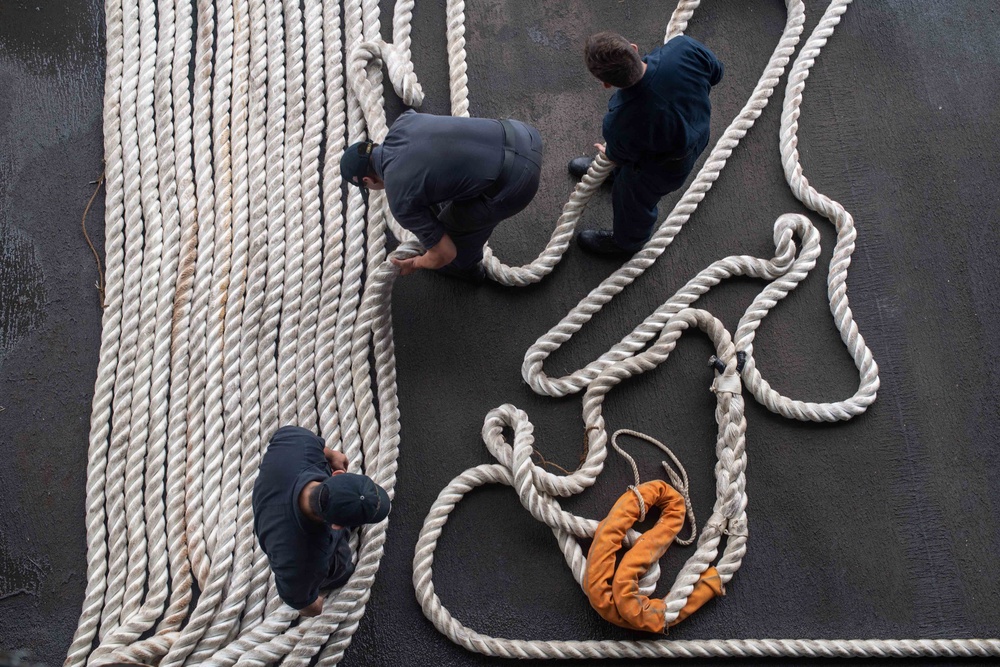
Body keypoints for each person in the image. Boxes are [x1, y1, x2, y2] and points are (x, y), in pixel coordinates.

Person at [340, 110, 543, 282]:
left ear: (367, 181)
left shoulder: (400, 200)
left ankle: (468, 270)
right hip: (525, 134)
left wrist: (417, 262)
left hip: (519, 183)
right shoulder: (404, 121)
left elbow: (445, 253)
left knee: (452, 236)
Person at [569, 32, 724, 256]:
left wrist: (610, 154)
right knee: (638, 151)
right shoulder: (683, 49)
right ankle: (614, 175)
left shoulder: (620, 121)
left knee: (633, 196)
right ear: (633, 47)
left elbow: (620, 153)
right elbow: (716, 72)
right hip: (697, 134)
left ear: (605, 83)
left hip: (664, 167)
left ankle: (627, 243)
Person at [252, 425, 391, 617]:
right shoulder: (305, 558)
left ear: (337, 474)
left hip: (270, 498)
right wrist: (317, 604)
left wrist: (331, 454)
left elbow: (282, 432)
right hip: (287, 537)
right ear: (338, 526)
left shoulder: (299, 444)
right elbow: (305, 605)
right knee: (342, 568)